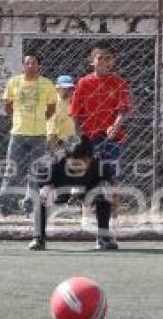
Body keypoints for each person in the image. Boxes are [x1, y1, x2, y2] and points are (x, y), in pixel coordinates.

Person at [69, 41, 132, 219]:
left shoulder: (119, 83)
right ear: (91, 61)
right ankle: (86, 215)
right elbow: (75, 113)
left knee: (112, 177)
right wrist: (79, 137)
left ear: (113, 61)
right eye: (100, 58)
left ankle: (114, 216)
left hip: (113, 138)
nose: (104, 61)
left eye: (108, 58)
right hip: (89, 137)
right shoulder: (83, 83)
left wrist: (115, 127)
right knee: (86, 177)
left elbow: (123, 110)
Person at [28, 136, 118, 251]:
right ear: (66, 157)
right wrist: (46, 186)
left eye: (84, 161)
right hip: (60, 189)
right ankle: (38, 238)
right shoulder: (51, 164)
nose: (80, 166)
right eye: (75, 162)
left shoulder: (101, 166)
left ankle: (103, 237)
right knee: (42, 196)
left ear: (91, 158)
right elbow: (38, 179)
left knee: (105, 190)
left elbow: (112, 184)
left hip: (87, 188)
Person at [0, 54, 56, 217]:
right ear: (22, 66)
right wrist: (19, 119)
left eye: (33, 63)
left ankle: (29, 208)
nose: (30, 65)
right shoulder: (14, 82)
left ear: (39, 66)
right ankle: (2, 208)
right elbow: (7, 105)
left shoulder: (47, 84)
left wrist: (40, 121)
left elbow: (51, 109)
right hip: (18, 134)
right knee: (10, 171)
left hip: (39, 135)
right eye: (27, 63)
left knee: (36, 173)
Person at [47, 74, 76, 151]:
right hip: (59, 143)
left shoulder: (70, 102)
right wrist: (56, 150)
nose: (68, 91)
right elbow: (52, 132)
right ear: (57, 88)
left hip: (70, 140)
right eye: (65, 88)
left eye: (70, 88)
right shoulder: (55, 104)